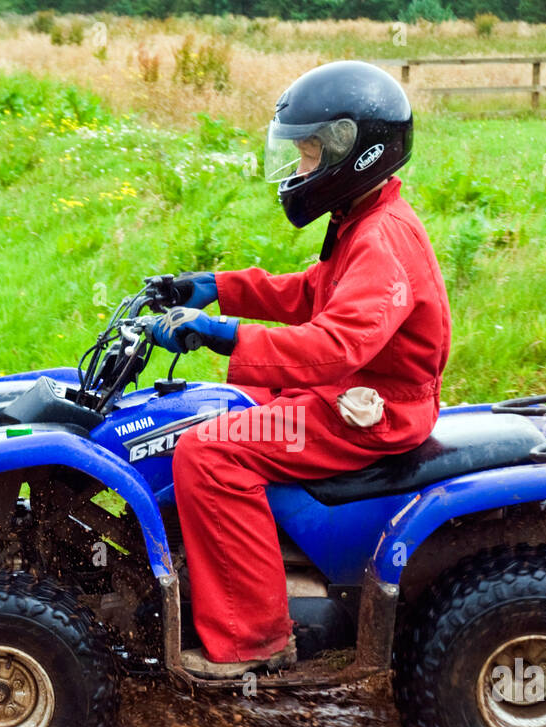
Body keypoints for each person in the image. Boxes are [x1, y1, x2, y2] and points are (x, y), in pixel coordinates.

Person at [147, 60, 452, 680]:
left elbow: (335, 345)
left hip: (369, 413)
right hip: (355, 391)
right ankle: (256, 554)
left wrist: (221, 336)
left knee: (209, 452)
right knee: (228, 399)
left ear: (352, 149)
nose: (301, 169)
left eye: (310, 153)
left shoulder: (382, 238)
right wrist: (215, 288)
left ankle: (253, 637)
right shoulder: (366, 219)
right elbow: (315, 292)